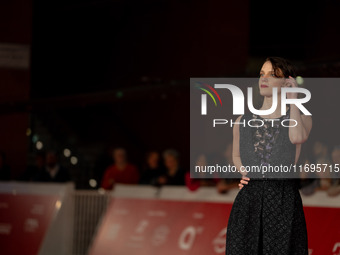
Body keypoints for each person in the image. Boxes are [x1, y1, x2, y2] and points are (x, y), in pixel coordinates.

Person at [225, 57, 312, 255]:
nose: (264, 79)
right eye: (262, 74)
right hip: (248, 204)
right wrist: (246, 173)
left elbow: (297, 136)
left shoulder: (301, 117)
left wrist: (294, 98)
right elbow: (236, 155)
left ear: (287, 81)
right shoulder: (242, 120)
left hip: (283, 202)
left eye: (273, 75)